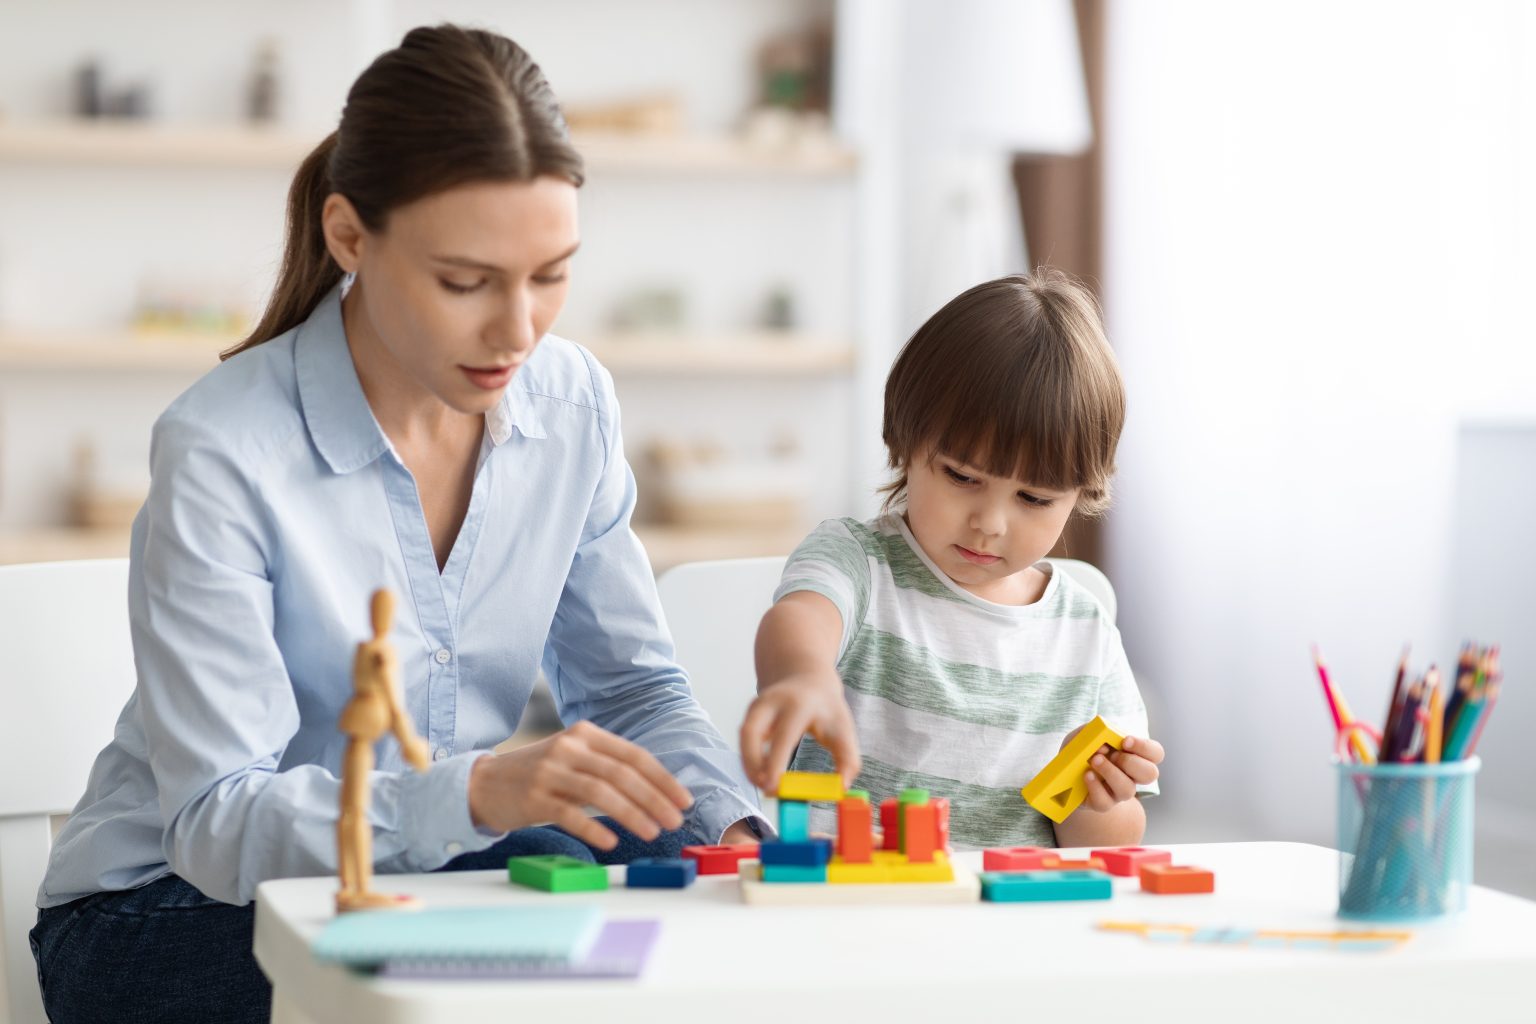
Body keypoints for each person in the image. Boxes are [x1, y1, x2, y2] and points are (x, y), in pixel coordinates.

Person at [31, 25, 763, 1023]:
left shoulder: (572, 404)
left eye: (551, 273)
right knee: (555, 878)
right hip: (159, 914)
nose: (518, 330)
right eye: (466, 282)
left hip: (423, 868)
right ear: (349, 237)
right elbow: (215, 822)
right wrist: (475, 795)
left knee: (678, 877)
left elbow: (634, 690)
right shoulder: (223, 448)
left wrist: (737, 828)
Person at [739, 269, 1164, 850]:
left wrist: (1097, 798)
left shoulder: (1085, 632)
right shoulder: (859, 561)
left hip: (1002, 923)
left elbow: (1108, 847)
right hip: (848, 906)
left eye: (1034, 498)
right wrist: (803, 676)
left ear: (1080, 495)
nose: (990, 522)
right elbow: (802, 619)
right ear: (905, 440)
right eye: (962, 477)